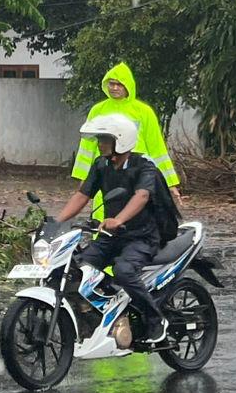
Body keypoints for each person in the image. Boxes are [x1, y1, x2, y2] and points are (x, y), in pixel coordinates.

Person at [50, 113, 171, 346]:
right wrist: (57, 221)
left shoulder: (144, 167)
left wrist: (118, 219)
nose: (100, 144)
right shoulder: (101, 164)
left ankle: (156, 319)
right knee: (76, 268)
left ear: (121, 140)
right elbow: (82, 194)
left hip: (142, 237)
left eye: (104, 139)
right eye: (99, 139)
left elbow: (142, 196)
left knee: (124, 270)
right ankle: (106, 313)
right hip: (110, 236)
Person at [73, 62, 183, 209]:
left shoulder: (143, 112)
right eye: (111, 84)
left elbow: (157, 148)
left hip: (136, 171)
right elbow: (87, 146)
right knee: (103, 214)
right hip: (106, 171)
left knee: (136, 212)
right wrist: (83, 178)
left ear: (128, 86)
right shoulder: (98, 110)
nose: (114, 88)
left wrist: (169, 183)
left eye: (119, 84)